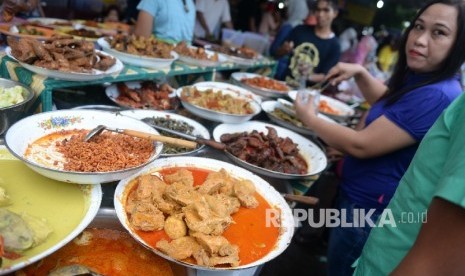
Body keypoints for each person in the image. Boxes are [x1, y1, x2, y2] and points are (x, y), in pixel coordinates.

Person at [294, 0, 464, 274]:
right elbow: (390, 103)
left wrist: (309, 117)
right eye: (418, 27)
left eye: (439, 33)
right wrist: (361, 73)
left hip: (368, 209)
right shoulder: (424, 79)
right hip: (358, 196)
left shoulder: (438, 94)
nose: (419, 40)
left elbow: (360, 145)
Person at [274, 0, 340, 87]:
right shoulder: (300, 30)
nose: (320, 14)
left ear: (335, 13)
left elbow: (327, 76)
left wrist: (308, 76)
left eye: (326, 10)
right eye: (318, 10)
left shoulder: (334, 46)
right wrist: (283, 50)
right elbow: (276, 54)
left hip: (307, 94)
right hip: (283, 85)